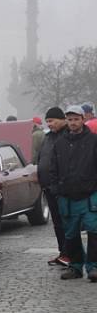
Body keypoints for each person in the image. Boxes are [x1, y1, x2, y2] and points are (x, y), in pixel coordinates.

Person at [49, 105, 97, 282]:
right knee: (70, 234)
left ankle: (94, 267)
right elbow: (52, 168)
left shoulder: (93, 140)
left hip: (90, 194)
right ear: (67, 121)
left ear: (83, 119)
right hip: (66, 196)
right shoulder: (59, 143)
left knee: (94, 231)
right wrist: (56, 189)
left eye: (76, 119)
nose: (73, 122)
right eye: (70, 119)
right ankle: (76, 267)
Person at [35, 107, 69, 267]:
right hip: (48, 187)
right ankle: (63, 252)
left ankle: (71, 254)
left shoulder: (68, 135)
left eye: (52, 120)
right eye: (48, 121)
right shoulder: (48, 138)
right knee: (57, 223)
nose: (50, 124)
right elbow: (42, 158)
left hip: (63, 188)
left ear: (62, 119)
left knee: (67, 222)